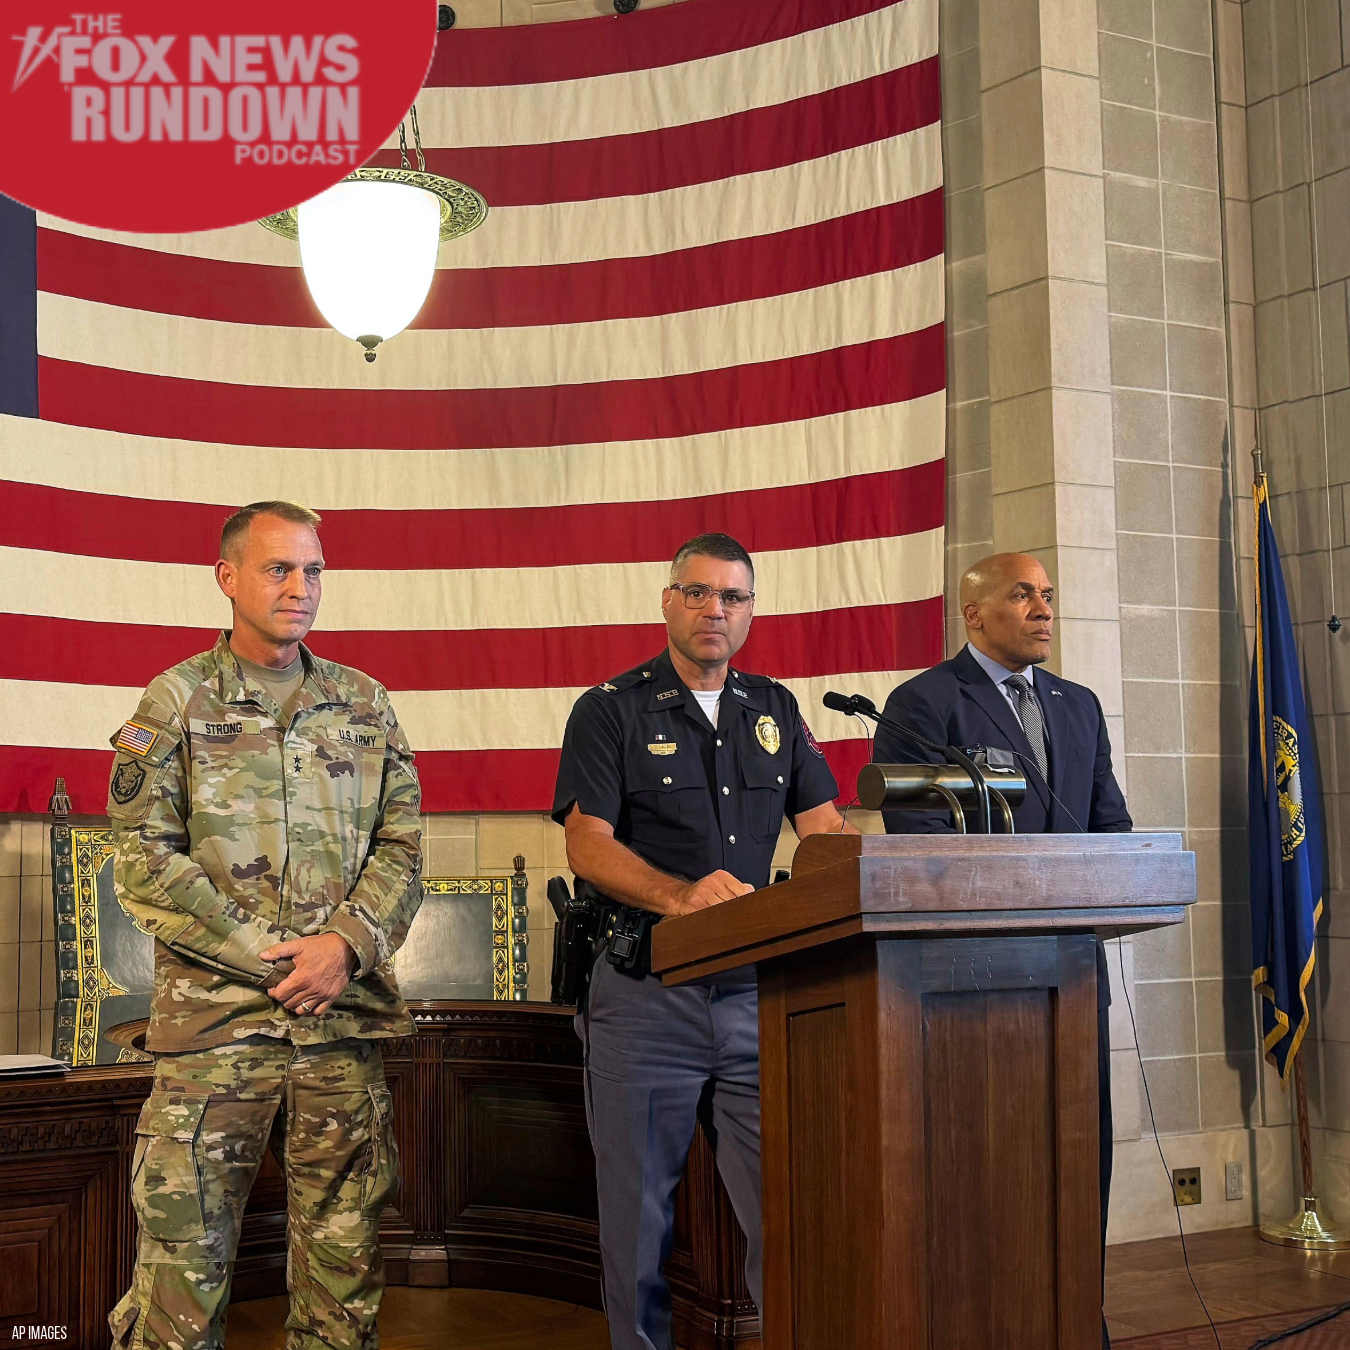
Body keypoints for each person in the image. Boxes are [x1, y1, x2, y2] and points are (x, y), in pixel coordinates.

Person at [105, 501, 423, 1350]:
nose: (299, 587)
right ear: (228, 577)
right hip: (216, 1036)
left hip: (338, 1032)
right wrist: (273, 958)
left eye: (312, 570)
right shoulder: (175, 701)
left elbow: (402, 849)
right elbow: (144, 859)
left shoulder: (364, 702)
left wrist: (344, 948)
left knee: (343, 1293)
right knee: (178, 1293)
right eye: (278, 568)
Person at [553, 532, 855, 1350]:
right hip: (647, 997)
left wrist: (890, 872)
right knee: (639, 1227)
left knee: (789, 1213)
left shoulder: (775, 709)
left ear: (751, 611)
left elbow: (826, 833)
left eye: (732, 596)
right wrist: (680, 897)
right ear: (668, 601)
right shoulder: (610, 709)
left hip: (758, 998)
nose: (714, 609)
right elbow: (587, 844)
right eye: (697, 592)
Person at [873, 551, 1128, 1350]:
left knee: (1079, 1152)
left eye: (1048, 595)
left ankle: (1076, 1318)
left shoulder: (1078, 705)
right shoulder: (923, 702)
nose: (1043, 609)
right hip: (976, 978)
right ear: (973, 612)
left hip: (1072, 972)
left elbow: (1111, 826)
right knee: (986, 1158)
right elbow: (918, 840)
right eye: (1023, 595)